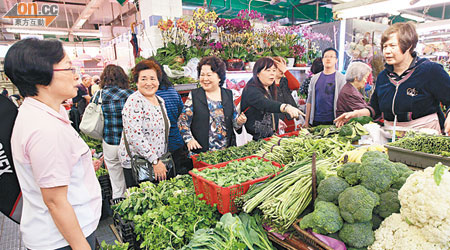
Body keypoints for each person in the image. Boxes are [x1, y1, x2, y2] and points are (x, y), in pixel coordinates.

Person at [5, 38, 101, 250]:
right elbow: (55, 202)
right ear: (42, 77)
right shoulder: (44, 129)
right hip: (62, 241)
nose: (76, 75)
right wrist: (81, 246)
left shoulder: (43, 112)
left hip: (67, 231)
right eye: (68, 67)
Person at [335, 22, 450, 135]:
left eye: (392, 46)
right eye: (385, 46)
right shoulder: (383, 77)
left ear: (409, 45)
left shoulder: (430, 71)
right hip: (390, 135)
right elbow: (375, 108)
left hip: (423, 136)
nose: (387, 51)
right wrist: (356, 114)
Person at [118, 59, 173, 183]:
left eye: (153, 78)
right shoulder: (134, 101)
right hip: (139, 164)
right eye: (143, 79)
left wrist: (159, 161)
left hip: (158, 162)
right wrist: (154, 160)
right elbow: (134, 136)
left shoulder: (160, 101)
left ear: (158, 81)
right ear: (136, 82)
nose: (149, 83)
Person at [178, 55, 247, 153]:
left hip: (226, 152)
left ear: (219, 77)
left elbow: (234, 124)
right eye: (202, 75)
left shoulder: (228, 94)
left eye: (209, 75)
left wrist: (240, 122)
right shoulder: (195, 95)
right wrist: (189, 140)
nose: (205, 79)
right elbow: (182, 121)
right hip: (202, 152)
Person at [240, 57, 303, 140]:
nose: (272, 73)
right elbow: (265, 104)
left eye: (274, 70)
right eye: (268, 70)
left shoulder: (267, 86)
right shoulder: (251, 89)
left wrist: (276, 121)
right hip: (258, 139)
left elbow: (270, 108)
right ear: (257, 73)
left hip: (270, 137)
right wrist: (286, 107)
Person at [96, 65, 133, 199]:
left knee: (116, 182)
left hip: (110, 142)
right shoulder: (130, 94)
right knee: (132, 180)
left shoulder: (99, 95)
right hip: (129, 144)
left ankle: (119, 209)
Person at [152, 58, 194, 175]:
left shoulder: (152, 95)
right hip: (177, 141)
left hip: (162, 147)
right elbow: (182, 114)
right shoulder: (172, 91)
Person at [305, 48, 346, 127]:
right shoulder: (314, 78)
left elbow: (344, 102)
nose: (328, 59)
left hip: (333, 121)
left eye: (331, 57)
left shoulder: (341, 79)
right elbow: (309, 101)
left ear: (336, 60)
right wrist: (306, 121)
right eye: (326, 56)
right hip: (316, 120)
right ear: (322, 59)